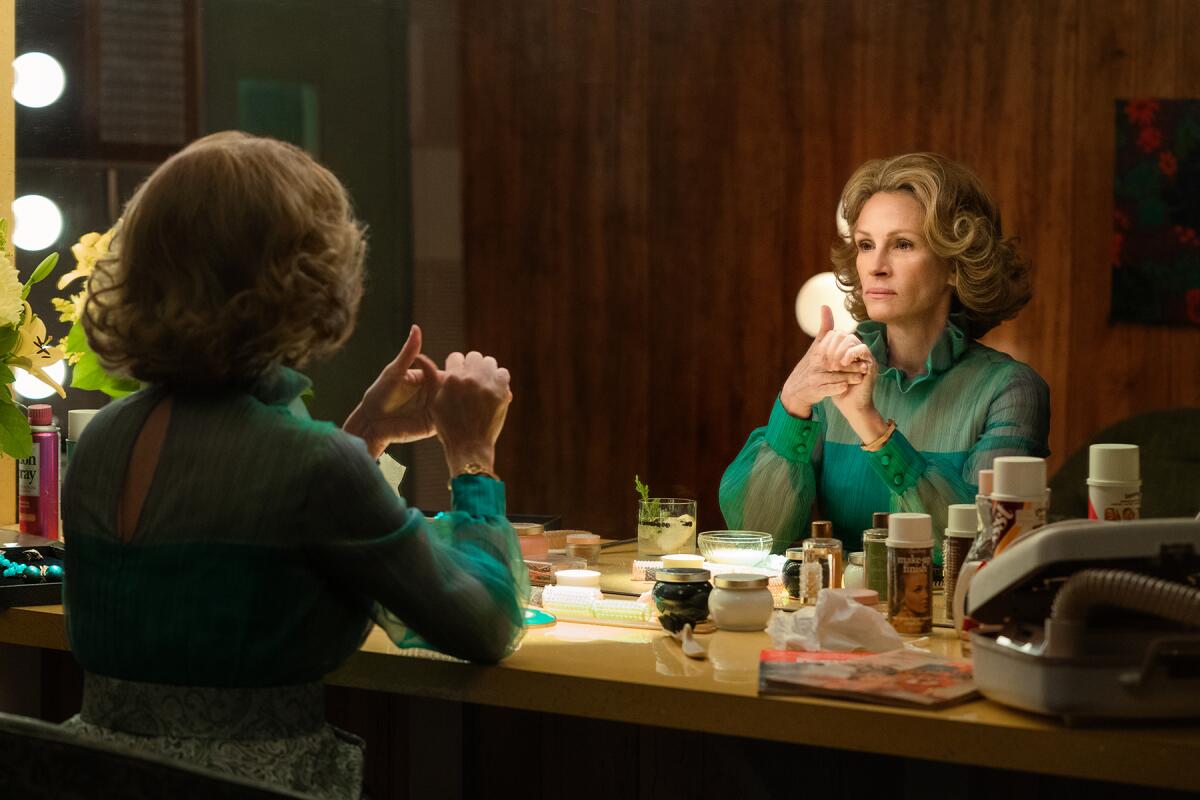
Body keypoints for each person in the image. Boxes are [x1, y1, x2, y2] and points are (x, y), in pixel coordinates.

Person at [60, 131, 527, 799]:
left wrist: (365, 431)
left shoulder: (102, 440)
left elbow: (262, 536)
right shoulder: (310, 465)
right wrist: (473, 456)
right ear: (306, 281)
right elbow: (484, 620)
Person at [720, 152, 1050, 555]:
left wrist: (870, 425)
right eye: (865, 244)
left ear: (954, 265)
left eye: (903, 244)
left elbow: (981, 547)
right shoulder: (832, 378)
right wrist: (793, 403)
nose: (875, 266)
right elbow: (758, 537)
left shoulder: (1012, 390)